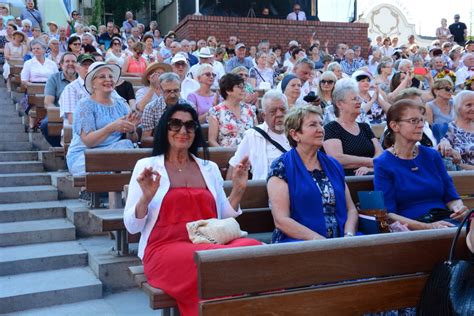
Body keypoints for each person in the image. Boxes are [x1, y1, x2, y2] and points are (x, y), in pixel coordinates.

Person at [124, 102, 260, 316]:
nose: (183, 131)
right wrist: (146, 198)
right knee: (218, 260)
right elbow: (132, 226)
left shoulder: (209, 168)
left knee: (255, 248)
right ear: (164, 129)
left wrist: (238, 190)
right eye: (175, 124)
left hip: (209, 240)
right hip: (164, 247)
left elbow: (222, 215)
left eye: (189, 125)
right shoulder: (147, 166)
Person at [267, 105, 358, 243]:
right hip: (300, 242)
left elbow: (350, 209)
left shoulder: (333, 164)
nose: (321, 129)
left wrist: (349, 235)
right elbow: (281, 220)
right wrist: (319, 241)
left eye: (321, 124)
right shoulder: (281, 167)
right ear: (295, 134)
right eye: (312, 125)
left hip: (342, 240)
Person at [374, 99, 469, 230]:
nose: (420, 125)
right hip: (412, 229)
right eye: (413, 121)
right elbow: (388, 214)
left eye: (421, 121)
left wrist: (458, 209)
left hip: (444, 221)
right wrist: (428, 227)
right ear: (394, 126)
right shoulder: (383, 163)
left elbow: (451, 197)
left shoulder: (431, 155)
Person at [66, 62, 140, 176]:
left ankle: (118, 192)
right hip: (84, 157)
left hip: (114, 153)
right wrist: (111, 127)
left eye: (111, 76)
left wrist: (131, 129)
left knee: (127, 147)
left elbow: (132, 140)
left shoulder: (121, 105)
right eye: (102, 77)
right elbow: (88, 141)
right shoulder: (85, 105)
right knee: (126, 151)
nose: (108, 79)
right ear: (93, 84)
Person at [323, 78, 383, 176]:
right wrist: (371, 161)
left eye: (359, 98)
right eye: (354, 99)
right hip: (348, 182)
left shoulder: (364, 127)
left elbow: (380, 152)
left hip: (372, 175)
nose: (359, 102)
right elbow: (337, 159)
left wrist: (369, 168)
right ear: (339, 104)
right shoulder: (331, 128)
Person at [227, 90, 290, 180]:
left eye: (283, 110)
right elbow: (235, 165)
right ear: (264, 115)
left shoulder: (298, 133)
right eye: (273, 111)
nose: (279, 114)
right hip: (264, 189)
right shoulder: (253, 135)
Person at [208, 73, 257, 147]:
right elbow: (212, 140)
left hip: (251, 154)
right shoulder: (216, 111)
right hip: (227, 155)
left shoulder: (250, 109)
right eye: (239, 87)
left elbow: (257, 134)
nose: (243, 90)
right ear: (228, 91)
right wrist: (223, 154)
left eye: (243, 87)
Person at [41, 52, 78, 147]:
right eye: (67, 61)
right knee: (46, 125)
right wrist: (60, 113)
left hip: (79, 113)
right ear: (61, 65)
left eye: (74, 61)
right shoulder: (54, 78)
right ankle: (59, 147)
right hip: (60, 112)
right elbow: (48, 102)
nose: (71, 63)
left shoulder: (82, 78)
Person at [141, 72, 188, 142]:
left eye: (176, 91)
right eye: (168, 91)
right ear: (160, 89)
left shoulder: (189, 107)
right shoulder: (151, 108)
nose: (172, 95)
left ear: (180, 88)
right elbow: (145, 139)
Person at [438, 90, 474, 170]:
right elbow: (447, 158)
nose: (473, 108)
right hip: (464, 177)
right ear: (457, 107)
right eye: (469, 105)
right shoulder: (450, 128)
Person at [59, 54, 96, 125]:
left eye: (91, 65)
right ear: (77, 68)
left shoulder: (101, 85)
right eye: (84, 65)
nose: (88, 68)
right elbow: (72, 120)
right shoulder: (71, 88)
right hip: (77, 132)